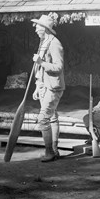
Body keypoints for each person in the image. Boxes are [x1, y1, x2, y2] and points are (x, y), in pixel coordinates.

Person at [31, 14, 65, 162]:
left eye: (38, 26)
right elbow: (40, 70)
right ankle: (54, 150)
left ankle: (50, 152)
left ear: (45, 28)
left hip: (53, 87)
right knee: (51, 117)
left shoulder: (54, 43)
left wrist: (40, 61)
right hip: (44, 85)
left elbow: (58, 67)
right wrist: (37, 86)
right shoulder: (43, 42)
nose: (36, 29)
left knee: (43, 118)